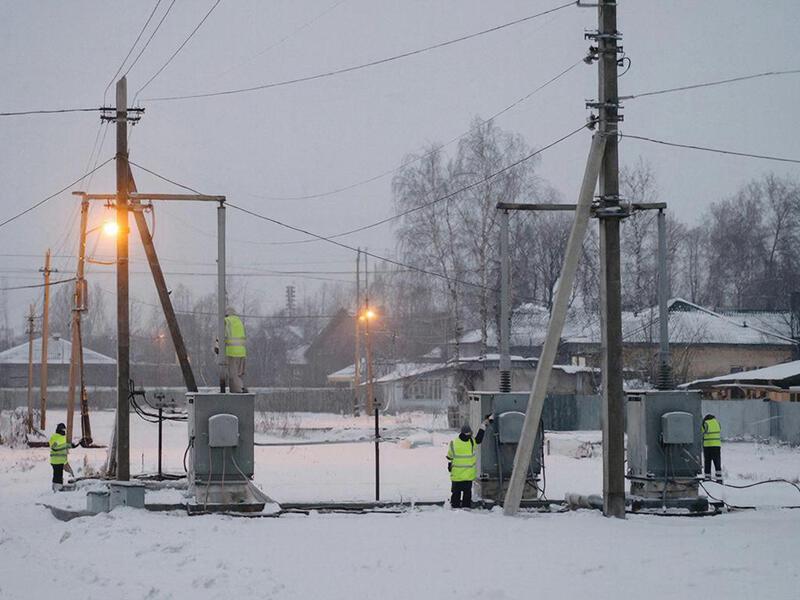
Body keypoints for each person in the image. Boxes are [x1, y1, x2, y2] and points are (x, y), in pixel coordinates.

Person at [446, 415, 492, 508]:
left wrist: (450, 465)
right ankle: (466, 511)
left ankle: (454, 510)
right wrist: (483, 425)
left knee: (456, 496)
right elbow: (479, 439)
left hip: (457, 477)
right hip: (467, 476)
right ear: (468, 434)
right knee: (467, 496)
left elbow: (449, 457)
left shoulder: (453, 443)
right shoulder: (471, 442)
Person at [215, 306, 247, 392]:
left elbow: (221, 335)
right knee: (239, 374)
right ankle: (241, 388)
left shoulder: (226, 321)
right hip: (242, 353)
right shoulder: (239, 321)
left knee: (232, 374)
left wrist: (217, 347)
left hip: (232, 352)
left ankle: (238, 391)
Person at [49, 423, 75, 492]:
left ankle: (55, 487)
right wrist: (68, 445)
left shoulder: (54, 437)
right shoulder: (60, 438)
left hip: (54, 460)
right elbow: (55, 447)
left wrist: (70, 446)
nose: (64, 432)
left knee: (56, 474)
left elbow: (62, 446)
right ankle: (58, 488)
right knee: (58, 475)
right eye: (64, 430)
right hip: (58, 460)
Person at [702, 413, 722, 482]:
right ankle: (719, 478)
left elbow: (701, 431)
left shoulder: (705, 423)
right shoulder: (717, 422)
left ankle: (707, 478)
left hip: (708, 445)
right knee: (717, 462)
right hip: (717, 445)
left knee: (707, 461)